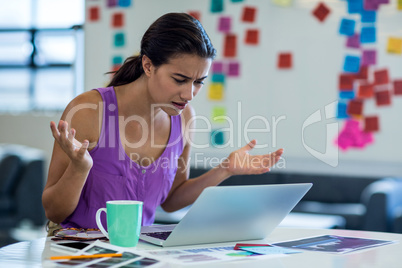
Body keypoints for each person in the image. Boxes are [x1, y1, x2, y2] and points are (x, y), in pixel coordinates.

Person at [42, 12, 284, 232]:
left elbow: (171, 202)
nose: (189, 94)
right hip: (77, 253)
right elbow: (53, 211)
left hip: (135, 253)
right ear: (148, 65)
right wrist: (79, 168)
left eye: (199, 82)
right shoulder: (89, 111)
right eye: (180, 79)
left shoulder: (185, 118)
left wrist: (225, 169)